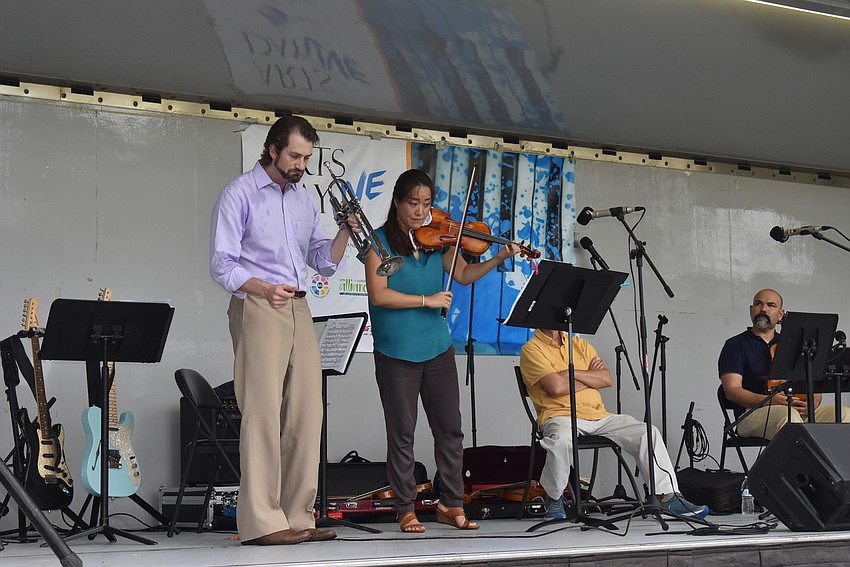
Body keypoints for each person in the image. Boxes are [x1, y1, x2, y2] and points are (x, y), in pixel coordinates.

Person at [210, 115, 347, 546]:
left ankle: (298, 517)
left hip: (299, 307)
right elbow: (222, 264)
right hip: (257, 303)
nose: (301, 164)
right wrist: (264, 288)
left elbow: (323, 260)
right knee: (263, 413)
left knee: (308, 412)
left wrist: (347, 230)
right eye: (294, 155)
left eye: (307, 157)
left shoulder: (304, 200)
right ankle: (262, 523)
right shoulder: (239, 193)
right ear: (272, 149)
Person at [362, 169, 519, 533]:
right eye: (413, 203)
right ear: (398, 203)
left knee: (450, 430)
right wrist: (426, 299)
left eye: (427, 204)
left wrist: (498, 258)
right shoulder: (378, 241)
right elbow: (378, 294)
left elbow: (463, 275)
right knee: (401, 432)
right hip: (396, 349)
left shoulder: (440, 242)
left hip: (436, 348)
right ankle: (405, 508)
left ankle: (451, 503)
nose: (421, 212)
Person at [519, 328, 709, 520]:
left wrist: (571, 372)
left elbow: (606, 379)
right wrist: (590, 376)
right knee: (560, 440)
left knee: (647, 432)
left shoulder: (580, 344)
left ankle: (668, 496)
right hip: (560, 417)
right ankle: (554, 497)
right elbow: (557, 387)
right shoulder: (532, 349)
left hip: (599, 415)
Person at [718, 288, 850, 440]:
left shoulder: (795, 344)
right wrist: (770, 401)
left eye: (771, 305)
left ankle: (835, 464)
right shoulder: (735, 345)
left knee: (845, 415)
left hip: (796, 411)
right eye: (758, 304)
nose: (763, 309)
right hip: (752, 413)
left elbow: (812, 383)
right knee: (789, 418)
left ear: (781, 314)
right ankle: (795, 464)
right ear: (751, 310)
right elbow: (732, 391)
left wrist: (812, 405)